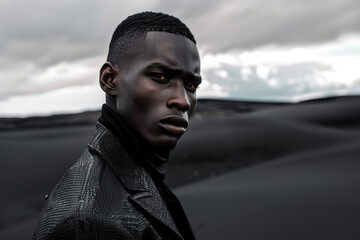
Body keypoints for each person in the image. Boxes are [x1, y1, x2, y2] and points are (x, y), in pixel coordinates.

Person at [32, 11, 201, 240]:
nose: (182, 100)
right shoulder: (87, 224)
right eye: (161, 77)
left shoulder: (140, 177)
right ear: (109, 79)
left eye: (191, 85)